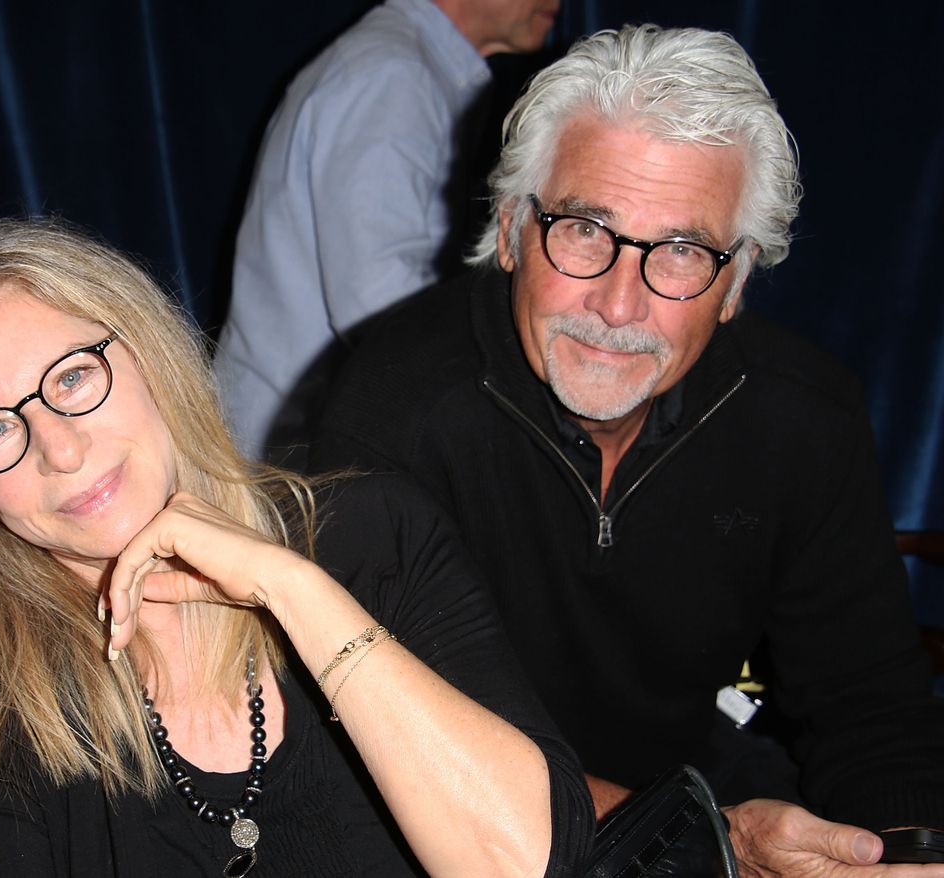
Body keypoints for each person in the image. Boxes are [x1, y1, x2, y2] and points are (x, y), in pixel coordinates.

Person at [311, 23, 944, 877]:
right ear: (509, 232)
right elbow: (391, 740)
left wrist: (902, 852)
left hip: (707, 793)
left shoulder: (803, 416)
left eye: (682, 252)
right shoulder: (393, 412)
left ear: (736, 283)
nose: (617, 305)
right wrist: (701, 844)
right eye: (583, 229)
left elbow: (868, 710)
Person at [0, 218, 592, 877]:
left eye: (72, 377)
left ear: (150, 357)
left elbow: (530, 862)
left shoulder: (371, 536)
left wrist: (294, 591)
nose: (59, 450)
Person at [214, 0, 560, 462]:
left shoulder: (403, 66)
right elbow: (378, 300)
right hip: (301, 465)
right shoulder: (393, 77)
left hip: (301, 450)